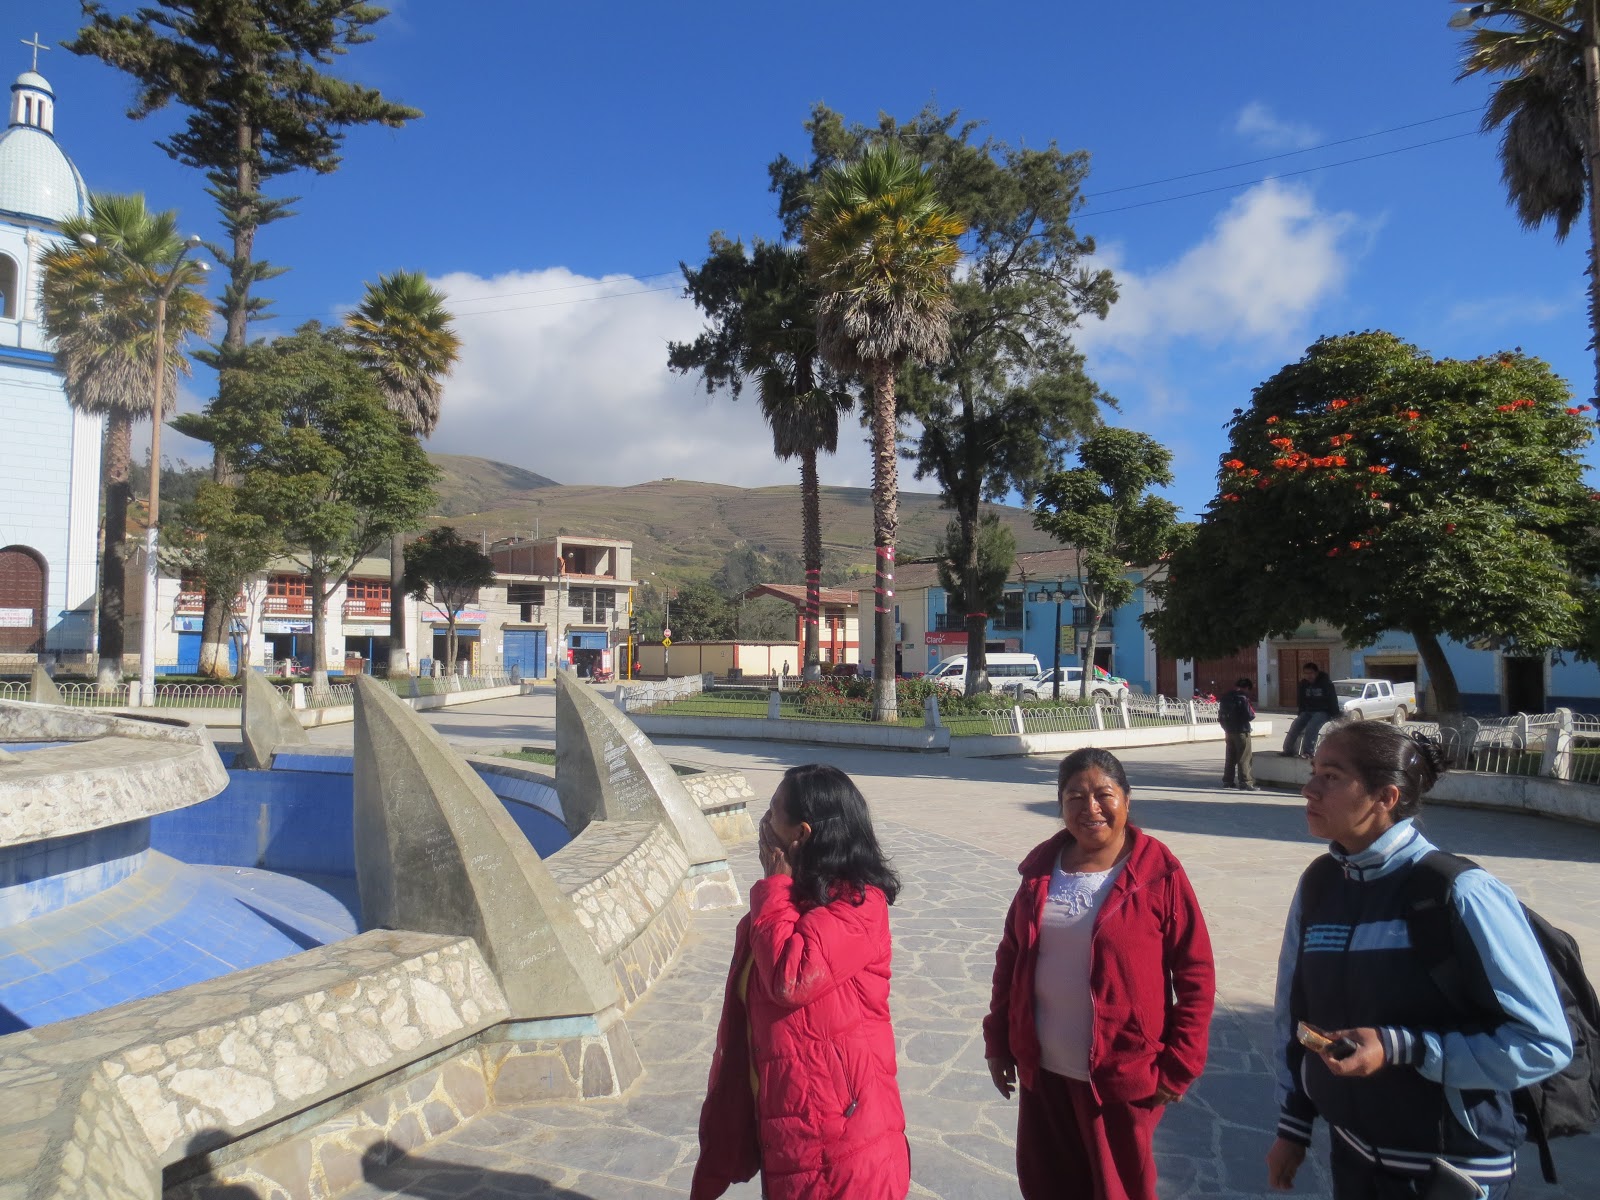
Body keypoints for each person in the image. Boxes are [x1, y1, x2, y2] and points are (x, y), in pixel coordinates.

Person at [1266, 720, 1572, 1199]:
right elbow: (1296, 1011)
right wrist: (1294, 1123)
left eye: (1331, 776)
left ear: (1385, 797)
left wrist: (1402, 1047)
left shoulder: (1460, 893)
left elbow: (1544, 1043)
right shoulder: (1321, 884)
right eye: (1313, 772)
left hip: (1450, 1167)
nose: (1309, 789)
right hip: (1354, 1154)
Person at [985, 747, 1216, 1200]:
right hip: (1044, 1073)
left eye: (1103, 795)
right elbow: (1010, 959)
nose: (1090, 808)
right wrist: (999, 1040)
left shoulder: (1158, 873)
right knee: (1048, 1187)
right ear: (1060, 806)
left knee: (1119, 1191)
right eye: (1075, 797)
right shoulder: (1040, 872)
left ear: (1126, 800)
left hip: (1121, 1077)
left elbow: (1196, 973)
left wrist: (1181, 1063)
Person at [691, 764, 909, 1200]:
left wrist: (774, 883)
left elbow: (790, 979)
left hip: (843, 1139)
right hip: (793, 1124)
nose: (763, 822)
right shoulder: (792, 902)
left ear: (801, 834)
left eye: (773, 811)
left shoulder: (857, 905)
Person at [1282, 662, 1340, 759]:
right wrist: (1301, 713)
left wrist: (1335, 714)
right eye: (1306, 673)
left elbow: (1332, 699)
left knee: (1312, 726)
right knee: (1295, 724)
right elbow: (1301, 700)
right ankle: (1288, 750)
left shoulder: (1326, 683)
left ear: (1316, 673)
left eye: (1311, 673)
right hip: (1308, 711)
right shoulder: (1303, 684)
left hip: (1323, 711)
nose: (1309, 676)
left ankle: (1308, 752)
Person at [1219, 677, 1260, 791]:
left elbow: (1220, 715)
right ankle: (1246, 782)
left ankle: (1228, 781)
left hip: (1228, 731)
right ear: (1247, 688)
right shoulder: (1242, 698)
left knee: (1230, 757)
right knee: (1244, 757)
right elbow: (1250, 715)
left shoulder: (1226, 696)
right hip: (1242, 731)